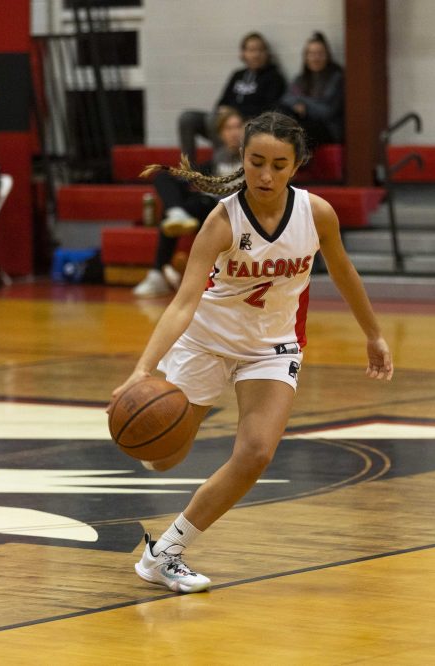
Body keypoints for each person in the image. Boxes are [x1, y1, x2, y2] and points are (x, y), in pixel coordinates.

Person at [110, 111, 394, 594]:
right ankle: (156, 446)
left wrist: (373, 334)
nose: (265, 175)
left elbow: (344, 273)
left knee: (257, 452)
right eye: (256, 161)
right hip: (205, 341)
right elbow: (183, 303)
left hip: (272, 347)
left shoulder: (317, 213)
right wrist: (143, 370)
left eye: (279, 165)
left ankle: (166, 553)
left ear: (297, 165)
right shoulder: (223, 221)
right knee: (164, 457)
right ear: (240, 158)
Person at [133, 108, 245, 298]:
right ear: (220, 134)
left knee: (198, 204)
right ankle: (176, 213)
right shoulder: (216, 161)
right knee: (164, 176)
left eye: (238, 127)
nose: (234, 132)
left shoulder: (253, 158)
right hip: (206, 212)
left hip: (231, 214)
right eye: (228, 128)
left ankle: (159, 271)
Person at [178, 32, 285, 160]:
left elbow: (270, 109)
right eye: (251, 50)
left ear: (266, 53)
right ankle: (188, 171)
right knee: (187, 118)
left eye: (260, 50)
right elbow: (222, 102)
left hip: (249, 123)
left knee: (218, 121)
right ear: (243, 54)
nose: (256, 54)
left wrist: (235, 115)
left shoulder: (274, 77)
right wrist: (223, 111)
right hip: (227, 120)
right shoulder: (238, 75)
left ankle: (220, 165)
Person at [278, 31, 345, 146]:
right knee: (282, 116)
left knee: (300, 132)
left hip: (327, 128)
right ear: (306, 57)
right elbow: (285, 99)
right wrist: (298, 103)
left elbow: (327, 111)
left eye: (320, 53)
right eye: (312, 54)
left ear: (327, 56)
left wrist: (303, 102)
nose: (316, 58)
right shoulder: (300, 78)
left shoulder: (336, 78)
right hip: (303, 122)